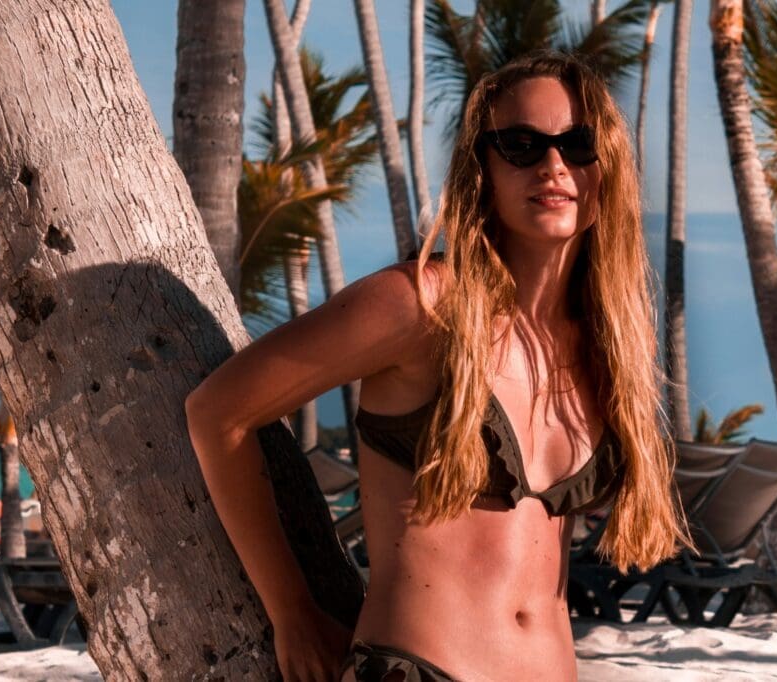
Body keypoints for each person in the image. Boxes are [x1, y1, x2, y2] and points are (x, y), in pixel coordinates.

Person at [187, 51, 688, 682]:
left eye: (577, 143)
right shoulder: (421, 307)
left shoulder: (602, 346)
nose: (553, 165)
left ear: (603, 164)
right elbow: (217, 412)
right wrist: (292, 611)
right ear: (483, 167)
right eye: (522, 145)